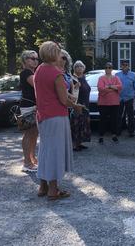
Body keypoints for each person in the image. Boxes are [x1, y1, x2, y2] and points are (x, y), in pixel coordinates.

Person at [34, 41, 83, 200]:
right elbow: (63, 100)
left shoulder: (39, 69)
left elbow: (47, 92)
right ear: (54, 54)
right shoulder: (56, 73)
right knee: (54, 151)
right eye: (59, 52)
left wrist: (67, 96)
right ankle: (53, 190)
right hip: (56, 116)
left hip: (42, 115)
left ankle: (43, 186)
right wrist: (75, 106)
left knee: (45, 150)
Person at [19, 50, 39, 172]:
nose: (36, 61)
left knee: (34, 133)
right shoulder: (26, 72)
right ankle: (26, 162)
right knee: (29, 133)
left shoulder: (32, 72)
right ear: (25, 60)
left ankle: (31, 158)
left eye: (37, 58)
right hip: (28, 106)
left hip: (34, 105)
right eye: (33, 58)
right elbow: (37, 85)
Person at [97, 62, 122, 144]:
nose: (108, 69)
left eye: (109, 67)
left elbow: (120, 87)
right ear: (105, 69)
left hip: (114, 102)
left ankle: (114, 135)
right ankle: (101, 136)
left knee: (114, 120)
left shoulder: (116, 78)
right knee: (102, 120)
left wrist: (108, 87)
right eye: (106, 67)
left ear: (112, 69)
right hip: (103, 103)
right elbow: (100, 89)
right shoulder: (101, 78)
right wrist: (113, 88)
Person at [70, 60, 91, 151]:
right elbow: (70, 91)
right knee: (76, 124)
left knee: (83, 124)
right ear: (74, 68)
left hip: (85, 104)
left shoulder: (84, 77)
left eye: (81, 66)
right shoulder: (73, 78)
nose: (79, 68)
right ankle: (75, 144)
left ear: (84, 68)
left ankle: (80, 142)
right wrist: (75, 87)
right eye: (77, 66)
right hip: (78, 104)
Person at [116, 60, 135, 137]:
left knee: (130, 115)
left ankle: (131, 131)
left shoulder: (133, 75)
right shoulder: (117, 75)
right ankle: (118, 131)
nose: (125, 66)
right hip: (120, 98)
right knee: (119, 115)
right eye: (123, 65)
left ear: (128, 66)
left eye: (126, 65)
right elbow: (115, 85)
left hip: (129, 97)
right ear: (121, 66)